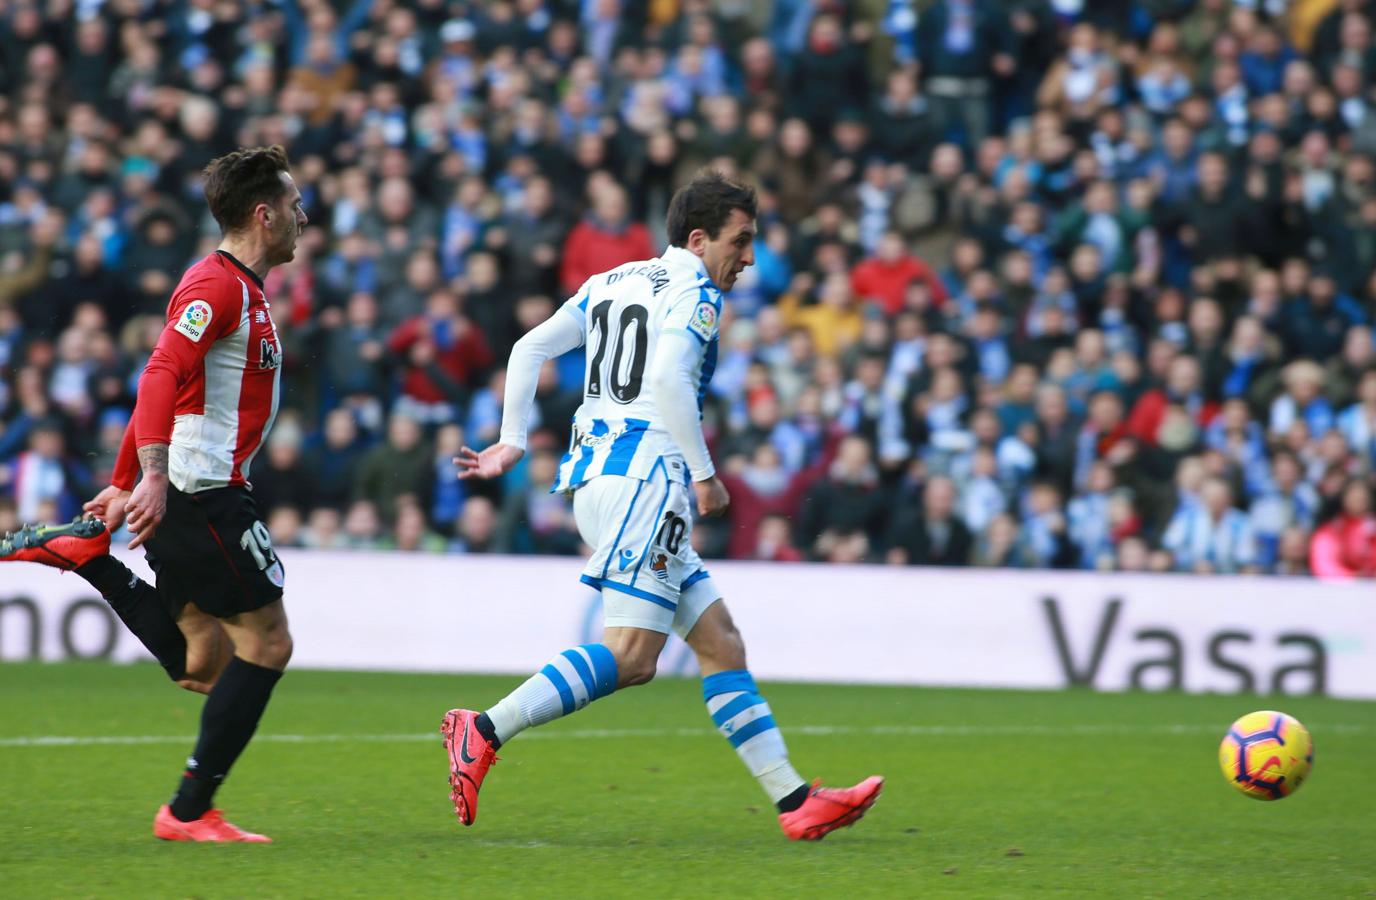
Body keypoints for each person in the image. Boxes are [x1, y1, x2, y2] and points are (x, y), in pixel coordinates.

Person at [445, 170, 883, 841]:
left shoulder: (613, 281)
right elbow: (671, 380)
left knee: (720, 642)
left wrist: (512, 441)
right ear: (699, 237)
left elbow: (528, 347)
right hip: (646, 483)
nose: (749, 258)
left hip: (604, 480)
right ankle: (482, 729)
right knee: (631, 656)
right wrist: (705, 476)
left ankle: (796, 801)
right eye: (740, 242)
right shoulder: (696, 292)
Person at [0, 146, 307, 843]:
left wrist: (120, 483)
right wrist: (151, 476)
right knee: (267, 644)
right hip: (202, 489)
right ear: (264, 216)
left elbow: (165, 381)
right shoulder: (217, 288)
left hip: (187, 486)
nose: (302, 218)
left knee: (203, 663)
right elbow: (161, 371)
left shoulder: (236, 287)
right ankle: (189, 812)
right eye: (293, 207)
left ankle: (88, 559)